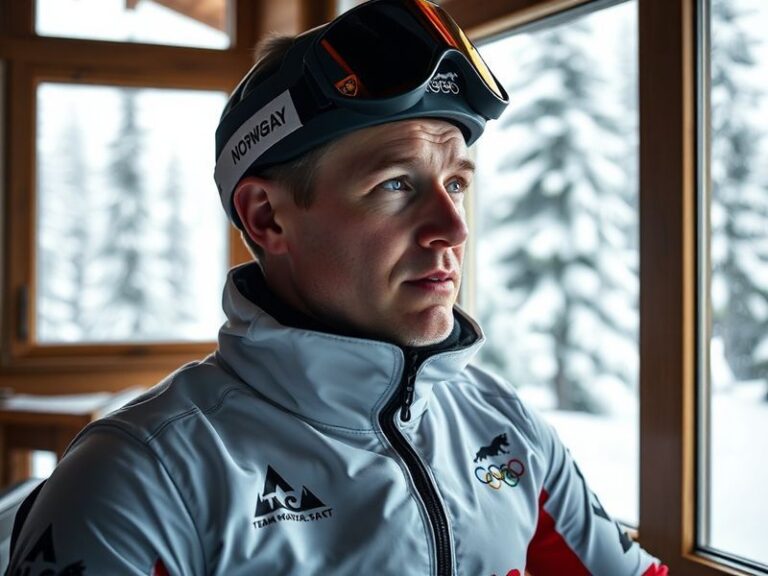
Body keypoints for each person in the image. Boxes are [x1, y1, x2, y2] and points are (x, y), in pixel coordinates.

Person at [7, 1, 669, 575]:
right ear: (268, 217)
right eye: (396, 185)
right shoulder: (141, 478)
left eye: (458, 182)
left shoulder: (504, 424)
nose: (453, 227)